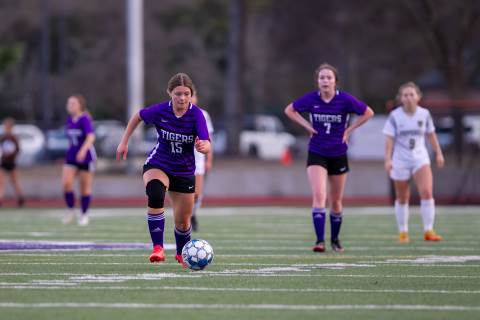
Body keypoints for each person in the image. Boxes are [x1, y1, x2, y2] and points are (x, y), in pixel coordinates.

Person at [116, 73, 211, 266]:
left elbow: (207, 142)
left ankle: (181, 253)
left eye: (186, 94)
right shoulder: (160, 111)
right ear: (170, 93)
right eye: (178, 94)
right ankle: (158, 248)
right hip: (159, 163)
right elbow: (138, 116)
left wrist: (204, 147)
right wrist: (124, 142)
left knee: (183, 222)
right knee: (155, 193)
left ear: (191, 94)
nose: (182, 98)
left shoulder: (197, 114)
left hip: (184, 170)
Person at [284, 63, 374, 253]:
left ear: (335, 81)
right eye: (322, 78)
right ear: (317, 81)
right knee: (319, 195)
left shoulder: (345, 100)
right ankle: (319, 241)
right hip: (317, 151)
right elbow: (289, 110)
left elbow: (368, 112)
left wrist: (349, 131)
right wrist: (307, 126)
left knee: (336, 200)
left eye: (329, 78)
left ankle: (335, 240)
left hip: (338, 153)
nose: (325, 81)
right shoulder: (311, 99)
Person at [383, 82, 445, 243]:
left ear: (418, 97)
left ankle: (428, 230)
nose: (409, 98)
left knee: (426, 192)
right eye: (405, 95)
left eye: (412, 94)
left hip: (420, 158)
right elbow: (389, 139)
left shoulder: (424, 114)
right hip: (400, 160)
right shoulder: (395, 116)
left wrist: (438, 153)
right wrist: (388, 159)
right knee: (402, 197)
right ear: (401, 98)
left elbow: (431, 135)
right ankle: (403, 232)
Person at [62, 95, 96, 226]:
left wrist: (82, 150)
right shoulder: (70, 119)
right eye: (68, 103)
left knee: (84, 187)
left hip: (86, 156)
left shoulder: (84, 119)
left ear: (80, 105)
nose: (70, 105)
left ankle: (84, 214)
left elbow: (91, 137)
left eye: (73, 103)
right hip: (71, 156)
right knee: (66, 184)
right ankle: (70, 209)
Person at [190, 94, 214, 231]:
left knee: (197, 194)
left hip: (198, 159)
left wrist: (209, 159)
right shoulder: (177, 112)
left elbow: (209, 139)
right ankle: (185, 217)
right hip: (181, 160)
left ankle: (192, 215)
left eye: (192, 95)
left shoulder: (203, 114)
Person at [0, 118, 25, 207]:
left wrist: (11, 156)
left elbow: (17, 150)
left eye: (7, 126)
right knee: (1, 183)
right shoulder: (2, 138)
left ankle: (21, 199)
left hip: (12, 163)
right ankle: (0, 200)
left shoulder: (14, 138)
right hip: (3, 163)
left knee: (15, 182)